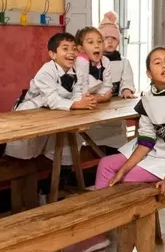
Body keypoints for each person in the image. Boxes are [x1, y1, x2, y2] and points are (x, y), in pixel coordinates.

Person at [62, 47, 165, 252]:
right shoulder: (147, 97)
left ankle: (97, 233)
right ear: (148, 73)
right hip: (156, 151)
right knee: (107, 165)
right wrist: (124, 168)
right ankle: (98, 231)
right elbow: (146, 141)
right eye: (157, 62)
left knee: (112, 179)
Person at [6, 32, 98, 166]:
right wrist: (77, 104)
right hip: (29, 113)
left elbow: (77, 92)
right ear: (52, 54)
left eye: (74, 49)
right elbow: (52, 100)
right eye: (65, 48)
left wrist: (83, 100)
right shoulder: (46, 72)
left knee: (56, 148)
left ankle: (62, 173)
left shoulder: (75, 70)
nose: (71, 52)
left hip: (52, 114)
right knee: (24, 157)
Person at [88, 12, 137, 150]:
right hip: (96, 106)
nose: (109, 42)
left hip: (116, 107)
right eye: (105, 38)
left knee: (116, 142)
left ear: (118, 42)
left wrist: (126, 90)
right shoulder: (91, 62)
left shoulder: (124, 62)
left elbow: (127, 80)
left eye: (113, 39)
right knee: (93, 139)